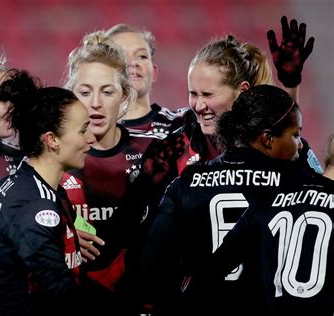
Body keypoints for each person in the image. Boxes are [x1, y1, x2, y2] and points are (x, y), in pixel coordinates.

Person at [123, 16, 320, 234]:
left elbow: (317, 196)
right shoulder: (173, 149)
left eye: (208, 94)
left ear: (242, 91)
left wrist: (290, 87)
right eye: (193, 94)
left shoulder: (269, 142)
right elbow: (131, 222)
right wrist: (143, 183)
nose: (198, 105)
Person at [139, 84, 314, 314]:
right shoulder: (295, 186)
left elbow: (152, 267)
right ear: (268, 139)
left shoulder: (187, 183)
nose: (300, 145)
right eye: (296, 135)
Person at [60, 30, 162, 313]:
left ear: (125, 96)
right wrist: (64, 233)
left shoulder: (154, 154)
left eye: (107, 92)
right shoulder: (52, 157)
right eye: (84, 92)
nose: (95, 103)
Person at [0, 69, 101, 315]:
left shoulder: (38, 188)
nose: (90, 138)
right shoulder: (35, 205)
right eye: (82, 130)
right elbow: (59, 293)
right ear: (52, 140)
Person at [105, 23, 190, 135]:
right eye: (121, 55)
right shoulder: (86, 133)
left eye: (142, 56)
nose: (134, 63)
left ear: (154, 72)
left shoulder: (183, 124)